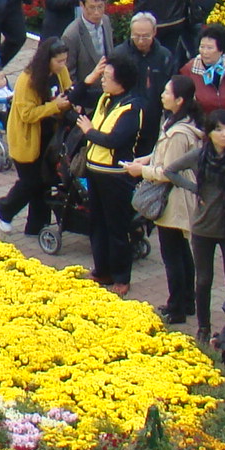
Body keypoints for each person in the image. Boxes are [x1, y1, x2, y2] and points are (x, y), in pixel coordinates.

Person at [162, 106, 225, 343]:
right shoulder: (200, 156)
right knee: (203, 280)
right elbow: (170, 170)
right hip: (204, 226)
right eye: (219, 130)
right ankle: (203, 327)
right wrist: (195, 189)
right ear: (209, 133)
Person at [127, 76, 202, 323]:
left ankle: (176, 307)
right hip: (176, 196)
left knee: (173, 255)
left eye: (167, 92)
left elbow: (168, 172)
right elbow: (166, 156)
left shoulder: (179, 133)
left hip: (173, 199)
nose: (162, 95)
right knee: (181, 251)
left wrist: (142, 171)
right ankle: (187, 302)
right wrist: (147, 159)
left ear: (179, 100)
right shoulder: (177, 122)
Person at [72, 52, 142, 293]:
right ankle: (102, 270)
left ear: (120, 81)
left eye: (107, 76)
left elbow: (114, 140)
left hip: (115, 176)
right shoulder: (105, 98)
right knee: (96, 224)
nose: (103, 80)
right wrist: (90, 78)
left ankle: (121, 278)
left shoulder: (131, 108)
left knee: (117, 228)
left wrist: (89, 132)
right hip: (94, 172)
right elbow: (75, 97)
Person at [0, 38, 74, 238]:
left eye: (65, 60)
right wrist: (55, 106)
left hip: (49, 135)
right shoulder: (27, 80)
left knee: (46, 181)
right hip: (27, 138)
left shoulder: (60, 72)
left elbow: (68, 91)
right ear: (47, 59)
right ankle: (4, 208)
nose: (63, 65)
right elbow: (27, 114)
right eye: (59, 61)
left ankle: (37, 226)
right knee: (30, 181)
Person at [63, 0, 115, 104]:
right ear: (82, 5)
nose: (97, 12)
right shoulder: (71, 35)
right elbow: (69, 75)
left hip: (108, 92)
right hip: (87, 98)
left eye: (100, 7)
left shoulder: (106, 21)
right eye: (92, 7)